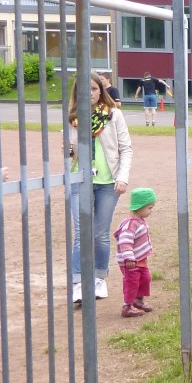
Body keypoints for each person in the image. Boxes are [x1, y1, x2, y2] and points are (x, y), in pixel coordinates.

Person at [67, 72, 133, 305]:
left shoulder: (113, 115)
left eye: (94, 89)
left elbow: (126, 149)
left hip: (107, 183)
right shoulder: (73, 117)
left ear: (101, 91)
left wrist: (122, 177)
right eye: (85, 90)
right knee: (81, 233)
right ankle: (78, 283)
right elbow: (68, 152)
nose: (90, 93)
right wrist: (69, 153)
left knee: (100, 234)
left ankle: (98, 279)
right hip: (80, 181)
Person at [115, 187, 157, 318]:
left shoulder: (139, 221)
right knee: (132, 282)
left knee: (145, 278)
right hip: (131, 262)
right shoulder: (130, 224)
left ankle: (138, 300)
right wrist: (129, 257)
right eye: (149, 208)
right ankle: (127, 306)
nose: (151, 211)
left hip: (140, 260)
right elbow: (125, 241)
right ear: (140, 207)